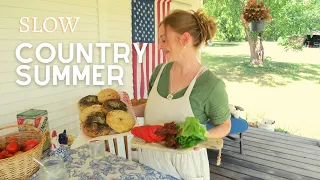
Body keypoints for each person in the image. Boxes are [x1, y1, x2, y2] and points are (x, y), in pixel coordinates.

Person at [133, 9, 231, 180]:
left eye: (164, 40)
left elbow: (225, 125)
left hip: (185, 167)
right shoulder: (159, 72)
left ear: (184, 39)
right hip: (148, 160)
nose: (160, 46)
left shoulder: (211, 85)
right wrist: (124, 111)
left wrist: (200, 136)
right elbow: (154, 106)